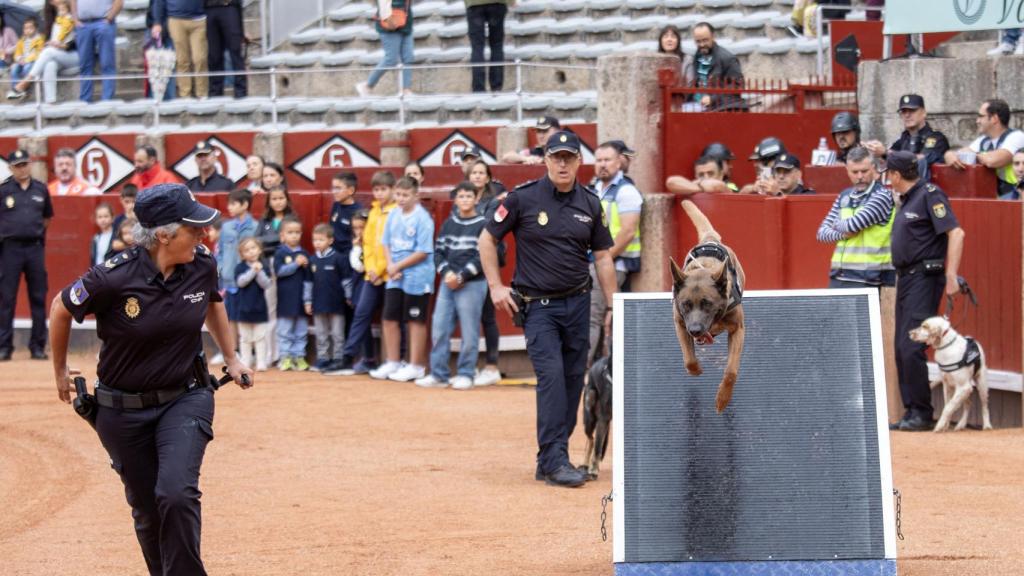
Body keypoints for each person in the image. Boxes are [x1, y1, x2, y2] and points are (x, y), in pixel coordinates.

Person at [48, 183, 253, 576]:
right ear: (163, 235)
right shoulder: (111, 277)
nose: (203, 234)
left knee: (176, 494)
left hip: (186, 397)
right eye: (194, 228)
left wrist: (231, 357)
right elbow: (61, 307)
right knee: (147, 510)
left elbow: (212, 302)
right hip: (120, 410)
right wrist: (58, 370)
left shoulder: (202, 264)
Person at [480, 131, 617, 488]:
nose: (562, 163)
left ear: (577, 162)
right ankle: (555, 458)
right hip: (538, 307)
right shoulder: (522, 198)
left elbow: (602, 257)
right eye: (555, 157)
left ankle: (549, 457)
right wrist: (495, 285)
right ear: (544, 159)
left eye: (568, 157)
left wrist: (613, 303)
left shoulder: (590, 203)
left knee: (574, 380)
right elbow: (487, 239)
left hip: (579, 303)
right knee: (553, 379)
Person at [885, 151, 965, 432]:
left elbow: (956, 233)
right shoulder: (907, 199)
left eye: (888, 174)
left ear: (895, 175)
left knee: (911, 346)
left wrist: (951, 274)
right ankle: (912, 411)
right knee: (901, 346)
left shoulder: (930, 194)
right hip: (907, 278)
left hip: (924, 276)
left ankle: (921, 412)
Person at [416, 182, 488, 389]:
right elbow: (438, 252)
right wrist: (447, 273)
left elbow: (483, 256)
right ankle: (438, 374)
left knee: (470, 330)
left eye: (468, 196)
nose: (465, 200)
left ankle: (466, 373)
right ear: (455, 200)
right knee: (439, 328)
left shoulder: (483, 224)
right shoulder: (449, 223)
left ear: (476, 199)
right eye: (461, 196)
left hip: (472, 284)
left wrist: (462, 276)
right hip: (448, 283)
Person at [326, 171, 395, 375]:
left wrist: (379, 268)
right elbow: (368, 243)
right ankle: (350, 357)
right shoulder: (373, 212)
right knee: (361, 313)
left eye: (383, 189)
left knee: (392, 318)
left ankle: (393, 360)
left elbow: (388, 245)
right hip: (369, 272)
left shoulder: (394, 213)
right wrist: (372, 268)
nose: (380, 193)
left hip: (389, 273)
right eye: (376, 189)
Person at [369, 176, 434, 382]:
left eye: (406, 195)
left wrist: (398, 265)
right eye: (398, 194)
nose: (401, 199)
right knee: (389, 318)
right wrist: (390, 265)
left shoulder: (423, 218)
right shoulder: (393, 214)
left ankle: (416, 365)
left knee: (415, 321)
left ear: (416, 195)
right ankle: (393, 361)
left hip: (417, 276)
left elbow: (423, 251)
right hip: (395, 274)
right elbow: (386, 242)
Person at [588, 141, 641, 362]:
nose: (602, 165)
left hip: (614, 263)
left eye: (607, 160)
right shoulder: (593, 189)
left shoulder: (626, 191)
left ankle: (582, 368)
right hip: (597, 261)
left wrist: (604, 260)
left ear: (619, 162)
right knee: (595, 315)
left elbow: (627, 232)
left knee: (593, 315)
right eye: (598, 160)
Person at [815, 146, 895, 288]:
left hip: (871, 278)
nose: (859, 176)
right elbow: (821, 234)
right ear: (847, 171)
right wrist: (845, 234)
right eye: (854, 172)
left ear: (874, 169)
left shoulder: (882, 195)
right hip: (839, 275)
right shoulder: (844, 195)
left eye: (864, 171)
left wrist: (836, 224)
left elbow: (853, 226)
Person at [0, 149, 53, 361]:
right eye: (18, 165)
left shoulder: (41, 189)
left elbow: (47, 218)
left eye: (25, 164)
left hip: (34, 248)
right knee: (6, 298)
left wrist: (35, 234)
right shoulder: (3, 191)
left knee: (38, 297)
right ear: (10, 168)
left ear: (30, 165)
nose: (22, 169)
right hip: (10, 248)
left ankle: (37, 346)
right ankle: (4, 346)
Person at [467, 159, 504, 385]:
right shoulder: (462, 197)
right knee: (471, 317)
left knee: (488, 317)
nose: (478, 176)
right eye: (474, 173)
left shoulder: (492, 202)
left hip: (487, 263)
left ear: (488, 177)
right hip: (467, 263)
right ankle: (469, 365)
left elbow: (489, 233)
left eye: (482, 173)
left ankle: (491, 366)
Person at [944, 98, 1024, 200]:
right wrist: (949, 155)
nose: (977, 121)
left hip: (1017, 193)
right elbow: (959, 155)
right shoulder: (983, 140)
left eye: (981, 116)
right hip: (999, 196)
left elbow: (994, 161)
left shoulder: (1017, 136)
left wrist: (973, 156)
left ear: (994, 118)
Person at [7, 0, 75, 103]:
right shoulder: (56, 20)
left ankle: (24, 83)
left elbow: (78, 42)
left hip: (74, 55)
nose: (54, 3)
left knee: (48, 52)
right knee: (50, 64)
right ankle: (50, 102)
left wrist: (62, 45)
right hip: (58, 55)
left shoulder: (73, 17)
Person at [863, 94, 949, 169]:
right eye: (904, 112)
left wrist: (885, 153)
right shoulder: (903, 140)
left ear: (923, 113)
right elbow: (886, 162)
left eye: (912, 110)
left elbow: (919, 159)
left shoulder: (937, 138)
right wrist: (875, 150)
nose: (907, 115)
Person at [309, 223, 351, 372]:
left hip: (336, 303)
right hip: (318, 303)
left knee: (337, 333)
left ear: (330, 241)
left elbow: (346, 280)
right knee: (321, 333)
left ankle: (338, 358)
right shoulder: (312, 260)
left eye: (321, 240)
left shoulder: (338, 258)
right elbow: (308, 283)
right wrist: (307, 301)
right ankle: (323, 358)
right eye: (315, 240)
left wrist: (349, 295)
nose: (317, 243)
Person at [274, 216, 311, 371]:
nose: (294, 235)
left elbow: (309, 279)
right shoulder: (280, 253)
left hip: (301, 300)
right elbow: (279, 272)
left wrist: (308, 300)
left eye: (297, 232)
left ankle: (299, 357)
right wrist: (295, 264)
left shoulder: (305, 253)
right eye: (290, 232)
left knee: (301, 330)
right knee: (285, 330)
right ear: (282, 235)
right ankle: (285, 357)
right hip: (285, 299)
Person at [151, 0, 208, 99]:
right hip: (176, 19)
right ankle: (185, 95)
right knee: (182, 60)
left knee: (199, 59)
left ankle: (202, 94)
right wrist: (157, 22)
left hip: (199, 19)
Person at [356, 0, 413, 96]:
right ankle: (368, 85)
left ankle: (405, 89)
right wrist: (388, 20)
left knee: (408, 57)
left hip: (406, 22)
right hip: (390, 24)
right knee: (391, 58)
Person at [218, 188, 256, 325]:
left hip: (249, 278)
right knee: (230, 317)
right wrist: (222, 269)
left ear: (245, 205)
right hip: (228, 279)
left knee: (247, 316)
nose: (229, 207)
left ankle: (246, 346)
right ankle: (232, 346)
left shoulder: (256, 227)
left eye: (233, 204)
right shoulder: (226, 227)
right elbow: (220, 252)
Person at [690, 22, 744, 111]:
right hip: (698, 105)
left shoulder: (727, 58)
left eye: (705, 40)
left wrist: (713, 99)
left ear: (713, 37)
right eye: (698, 41)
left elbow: (737, 86)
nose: (702, 44)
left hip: (719, 109)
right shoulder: (698, 55)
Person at [234, 237, 270, 371]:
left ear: (259, 250)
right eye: (247, 250)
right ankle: (245, 362)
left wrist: (259, 271)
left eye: (253, 248)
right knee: (245, 338)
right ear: (242, 254)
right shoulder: (240, 267)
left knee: (260, 337)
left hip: (260, 308)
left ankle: (261, 362)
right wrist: (253, 271)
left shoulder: (264, 266)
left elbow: (266, 284)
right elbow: (241, 282)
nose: (251, 252)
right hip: (243, 308)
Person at [74, 0, 121, 101]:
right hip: (83, 23)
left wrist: (109, 18)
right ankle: (85, 100)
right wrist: (75, 19)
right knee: (84, 65)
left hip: (103, 21)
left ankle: (107, 100)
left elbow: (119, 1)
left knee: (107, 63)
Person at [205, 0, 246, 98]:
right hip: (210, 8)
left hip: (229, 6)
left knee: (235, 51)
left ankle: (241, 92)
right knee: (214, 55)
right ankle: (215, 93)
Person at [466, 0, 509, 93]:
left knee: (477, 47)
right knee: (497, 45)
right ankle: (496, 86)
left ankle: (478, 88)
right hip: (497, 3)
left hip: (474, 5)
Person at [665, 154, 736, 196]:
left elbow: (716, 185)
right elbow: (671, 182)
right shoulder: (695, 185)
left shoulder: (727, 187)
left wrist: (696, 186)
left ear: (721, 174)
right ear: (696, 175)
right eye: (701, 174)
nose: (706, 177)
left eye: (711, 173)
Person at [8, 17, 43, 91]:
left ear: (36, 29)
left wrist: (27, 60)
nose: (28, 30)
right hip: (22, 61)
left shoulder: (39, 39)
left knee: (27, 67)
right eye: (25, 28)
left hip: (33, 61)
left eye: (30, 28)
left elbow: (39, 53)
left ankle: (25, 86)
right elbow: (17, 53)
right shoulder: (21, 40)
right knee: (14, 67)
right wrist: (19, 58)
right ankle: (16, 88)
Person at [90, 202, 114, 267]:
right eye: (100, 217)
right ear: (96, 219)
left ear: (112, 218)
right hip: (98, 273)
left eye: (106, 216)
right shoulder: (96, 238)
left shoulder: (116, 236)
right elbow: (94, 258)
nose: (103, 220)